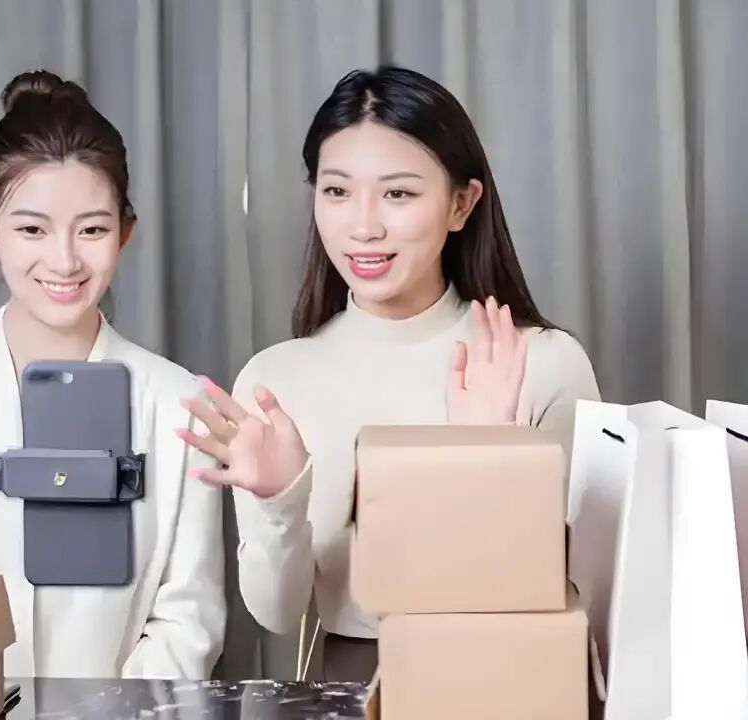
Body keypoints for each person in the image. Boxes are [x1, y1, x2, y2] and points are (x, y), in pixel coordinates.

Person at [177, 65, 601, 682]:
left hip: (505, 684)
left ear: (461, 204)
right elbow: (277, 613)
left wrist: (490, 457)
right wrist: (279, 501)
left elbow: (573, 589)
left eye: (398, 194)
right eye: (337, 191)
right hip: (347, 687)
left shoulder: (540, 362)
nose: (363, 226)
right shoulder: (276, 381)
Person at [0, 70, 225, 679]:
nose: (64, 260)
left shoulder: (179, 404)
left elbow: (187, 622)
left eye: (92, 229)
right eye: (32, 229)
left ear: (125, 233)